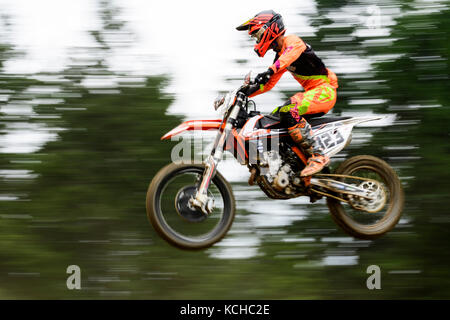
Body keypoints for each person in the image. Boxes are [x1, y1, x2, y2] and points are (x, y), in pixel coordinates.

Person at [236, 10, 339, 177]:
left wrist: (270, 70)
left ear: (270, 28)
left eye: (257, 34)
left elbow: (288, 56)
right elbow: (267, 85)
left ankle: (319, 155)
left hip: (324, 92)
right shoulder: (279, 56)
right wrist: (243, 94)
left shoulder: (292, 41)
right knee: (273, 118)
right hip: (313, 93)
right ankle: (281, 164)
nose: (256, 40)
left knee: (288, 111)